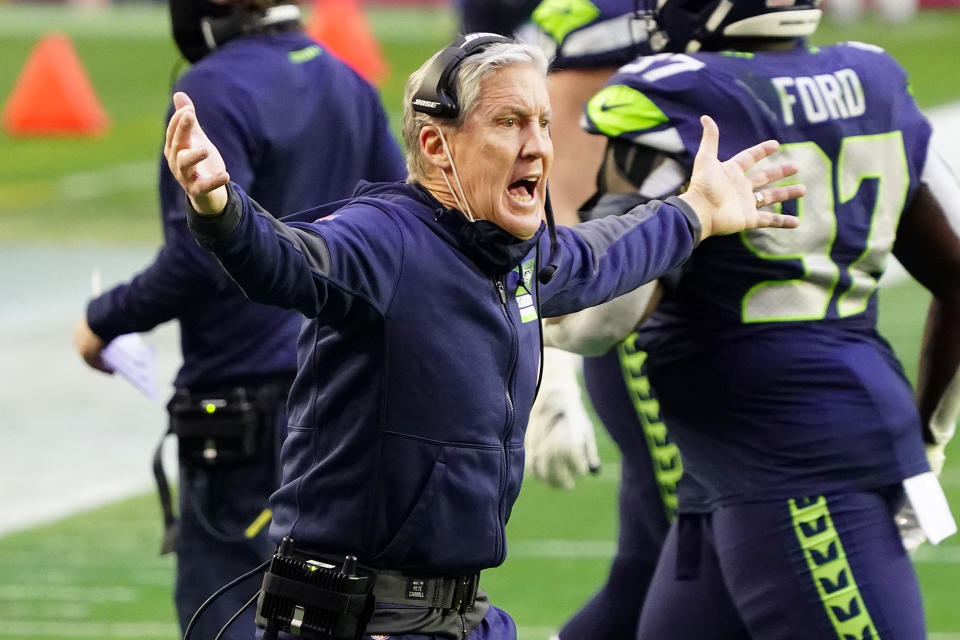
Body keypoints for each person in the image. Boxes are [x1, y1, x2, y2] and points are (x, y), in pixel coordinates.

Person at [162, 33, 803, 639]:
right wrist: (221, 210)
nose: (539, 147)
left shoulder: (511, 253)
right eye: (509, 123)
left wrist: (696, 213)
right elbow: (287, 260)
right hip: (360, 617)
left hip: (457, 614)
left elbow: (604, 254)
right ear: (439, 146)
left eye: (544, 123)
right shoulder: (384, 241)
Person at [572, 0, 960, 637]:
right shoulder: (872, 79)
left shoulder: (678, 102)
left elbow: (595, 324)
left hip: (795, 467)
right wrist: (929, 436)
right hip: (741, 464)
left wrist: (538, 296)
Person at [71, 1, 406, 638]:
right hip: (340, 397)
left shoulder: (212, 89)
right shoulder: (347, 79)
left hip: (243, 407)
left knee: (226, 613)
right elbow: (398, 226)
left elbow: (202, 256)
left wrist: (103, 319)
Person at [524, 3, 682, 640]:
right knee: (691, 548)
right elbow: (558, 201)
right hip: (652, 316)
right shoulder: (602, 19)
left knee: (651, 568)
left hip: (726, 326)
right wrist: (554, 372)